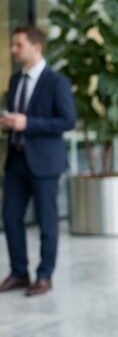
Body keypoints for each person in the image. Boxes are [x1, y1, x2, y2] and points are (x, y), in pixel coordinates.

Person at [0, 25, 76, 297]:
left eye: (18, 44)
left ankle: (45, 275)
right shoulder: (14, 80)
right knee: (10, 218)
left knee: (46, 221)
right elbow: (17, 118)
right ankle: (19, 272)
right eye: (13, 44)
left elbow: (67, 121)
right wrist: (8, 124)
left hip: (44, 163)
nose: (13, 50)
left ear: (36, 47)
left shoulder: (56, 82)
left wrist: (28, 123)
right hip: (16, 161)